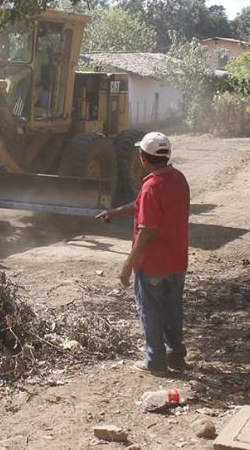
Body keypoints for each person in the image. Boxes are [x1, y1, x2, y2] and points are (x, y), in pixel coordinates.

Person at [96, 131, 190, 373]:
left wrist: (127, 267)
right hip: (177, 260)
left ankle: (156, 361)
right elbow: (141, 204)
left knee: (151, 312)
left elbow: (146, 231)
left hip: (152, 264)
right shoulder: (177, 178)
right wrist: (114, 212)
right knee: (173, 310)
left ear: (142, 157)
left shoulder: (151, 187)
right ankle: (176, 355)